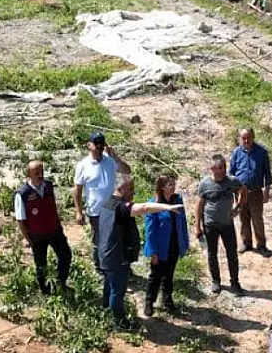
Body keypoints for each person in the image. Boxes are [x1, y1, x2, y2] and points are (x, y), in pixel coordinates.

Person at [98, 175, 184, 329]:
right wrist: (167, 207)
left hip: (105, 252)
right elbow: (144, 208)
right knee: (117, 291)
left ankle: (105, 312)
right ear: (121, 189)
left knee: (109, 285)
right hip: (116, 256)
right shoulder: (120, 207)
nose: (133, 192)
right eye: (130, 189)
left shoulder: (106, 203)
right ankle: (120, 322)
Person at [74, 132, 129, 271]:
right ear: (89, 145)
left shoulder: (110, 161)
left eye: (101, 144)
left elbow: (127, 171)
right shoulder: (83, 165)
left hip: (113, 209)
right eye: (96, 144)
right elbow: (77, 190)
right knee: (99, 241)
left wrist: (115, 156)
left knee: (118, 238)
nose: (99, 147)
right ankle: (100, 268)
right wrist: (78, 212)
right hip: (96, 210)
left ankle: (120, 266)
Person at [14, 160, 72, 294]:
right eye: (36, 173)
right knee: (41, 264)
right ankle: (45, 290)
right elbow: (20, 220)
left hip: (55, 230)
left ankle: (60, 282)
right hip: (37, 235)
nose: (40, 175)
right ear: (28, 174)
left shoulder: (48, 186)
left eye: (41, 172)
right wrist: (28, 239)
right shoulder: (22, 194)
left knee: (66, 255)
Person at [196, 154, 248, 294]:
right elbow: (199, 206)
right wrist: (197, 227)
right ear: (212, 169)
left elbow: (243, 190)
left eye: (224, 168)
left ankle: (235, 282)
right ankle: (216, 281)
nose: (222, 171)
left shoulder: (231, 181)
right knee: (212, 253)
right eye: (219, 168)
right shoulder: (205, 184)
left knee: (232, 254)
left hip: (227, 224)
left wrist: (238, 207)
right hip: (210, 224)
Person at [142, 175, 190, 316]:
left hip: (174, 244)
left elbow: (183, 223)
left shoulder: (178, 200)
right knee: (155, 276)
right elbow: (150, 231)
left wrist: (185, 243)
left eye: (173, 184)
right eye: (170, 185)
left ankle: (167, 300)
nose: (173, 187)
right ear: (162, 187)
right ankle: (149, 302)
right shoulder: (154, 204)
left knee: (169, 276)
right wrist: (153, 252)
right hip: (160, 247)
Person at [228, 128, 272, 256]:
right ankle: (246, 243)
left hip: (256, 192)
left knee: (257, 219)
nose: (246, 140)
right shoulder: (236, 152)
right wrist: (233, 194)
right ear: (240, 138)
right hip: (240, 193)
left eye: (249, 137)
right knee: (243, 219)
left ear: (253, 137)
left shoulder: (262, 152)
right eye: (243, 138)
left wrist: (267, 192)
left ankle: (261, 245)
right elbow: (231, 173)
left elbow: (267, 174)